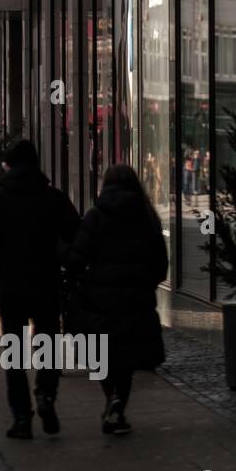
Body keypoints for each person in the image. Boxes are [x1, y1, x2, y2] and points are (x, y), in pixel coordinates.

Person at [0, 140, 81, 440]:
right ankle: (46, 394)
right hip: (46, 281)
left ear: (9, 165)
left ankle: (21, 418)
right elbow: (76, 235)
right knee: (47, 343)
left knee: (15, 353)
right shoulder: (53, 199)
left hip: (11, 284)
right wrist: (60, 258)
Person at [66, 164, 168, 435]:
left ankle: (111, 397)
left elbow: (77, 259)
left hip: (100, 300)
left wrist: (80, 282)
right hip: (136, 300)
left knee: (103, 353)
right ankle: (118, 403)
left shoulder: (96, 216)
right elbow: (160, 264)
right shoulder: (147, 217)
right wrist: (145, 283)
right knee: (126, 356)